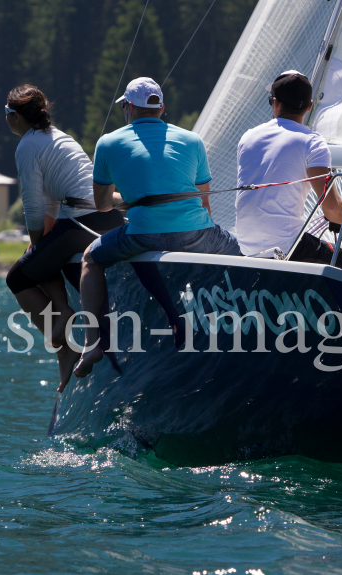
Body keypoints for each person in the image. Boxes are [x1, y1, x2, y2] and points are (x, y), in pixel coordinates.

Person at [74, 77, 240, 377]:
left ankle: (91, 343)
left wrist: (134, 199)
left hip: (142, 235)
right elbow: (204, 203)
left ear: (128, 108)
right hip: (195, 232)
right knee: (235, 250)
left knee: (90, 258)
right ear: (162, 108)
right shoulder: (192, 140)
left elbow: (102, 205)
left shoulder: (108, 143)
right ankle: (236, 322)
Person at [3, 84, 124, 391]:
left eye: (6, 113)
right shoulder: (58, 136)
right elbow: (52, 202)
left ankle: (64, 347)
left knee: (17, 278)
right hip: (108, 218)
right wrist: (39, 242)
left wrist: (36, 240)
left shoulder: (27, 145)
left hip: (84, 221)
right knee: (42, 250)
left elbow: (32, 205)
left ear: (16, 116)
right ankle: (64, 312)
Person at [234, 70, 342, 280]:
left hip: (247, 246)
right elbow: (330, 207)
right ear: (309, 106)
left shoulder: (248, 137)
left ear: (275, 103)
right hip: (289, 247)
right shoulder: (312, 142)